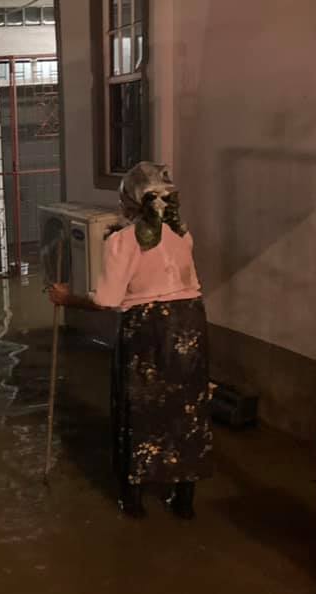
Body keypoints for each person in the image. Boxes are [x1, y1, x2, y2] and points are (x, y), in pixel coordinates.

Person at [48, 162, 212, 519]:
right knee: (186, 409)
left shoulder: (122, 241)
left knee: (137, 409)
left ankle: (133, 502)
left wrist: (67, 297)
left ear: (128, 201)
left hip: (148, 329)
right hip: (190, 327)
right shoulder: (182, 234)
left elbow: (107, 299)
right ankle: (184, 503)